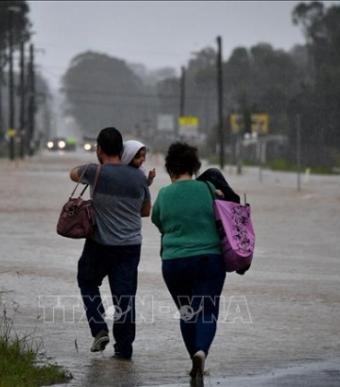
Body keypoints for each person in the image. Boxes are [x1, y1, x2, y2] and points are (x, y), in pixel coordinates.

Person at [69, 127, 151, 361]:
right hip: (130, 247)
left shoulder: (94, 171)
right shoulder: (140, 177)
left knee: (87, 281)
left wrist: (93, 167)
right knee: (125, 297)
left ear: (100, 149)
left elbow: (72, 174)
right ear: (122, 150)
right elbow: (145, 211)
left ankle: (99, 328)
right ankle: (124, 350)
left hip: (99, 245)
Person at [151, 142, 226, 384]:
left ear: (170, 168)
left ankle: (194, 359)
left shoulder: (163, 194)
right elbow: (224, 213)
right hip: (208, 260)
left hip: (174, 263)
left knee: (187, 311)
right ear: (194, 167)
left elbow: (158, 221)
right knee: (207, 310)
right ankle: (201, 351)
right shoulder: (207, 188)